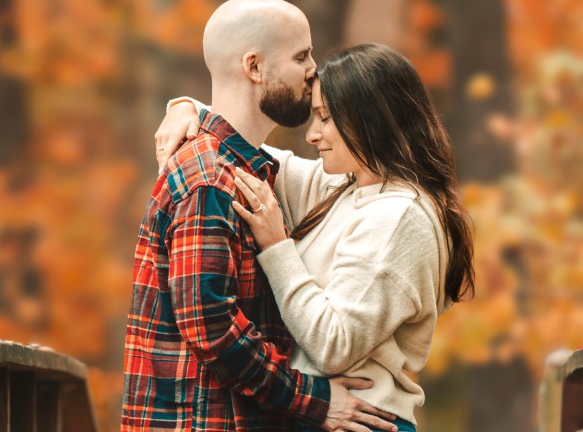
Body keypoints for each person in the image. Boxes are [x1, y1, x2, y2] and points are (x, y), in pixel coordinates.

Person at [155, 43, 476, 432]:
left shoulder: (400, 217)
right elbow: (244, 148)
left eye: (325, 118)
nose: (312, 134)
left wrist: (277, 247)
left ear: (370, 120)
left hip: (362, 419)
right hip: (323, 417)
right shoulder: (346, 187)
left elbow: (332, 347)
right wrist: (186, 108)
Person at [123, 0, 399, 432]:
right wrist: (313, 400)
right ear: (254, 67)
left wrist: (185, 104)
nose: (314, 70)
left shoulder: (251, 170)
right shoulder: (211, 179)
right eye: (301, 56)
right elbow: (210, 326)